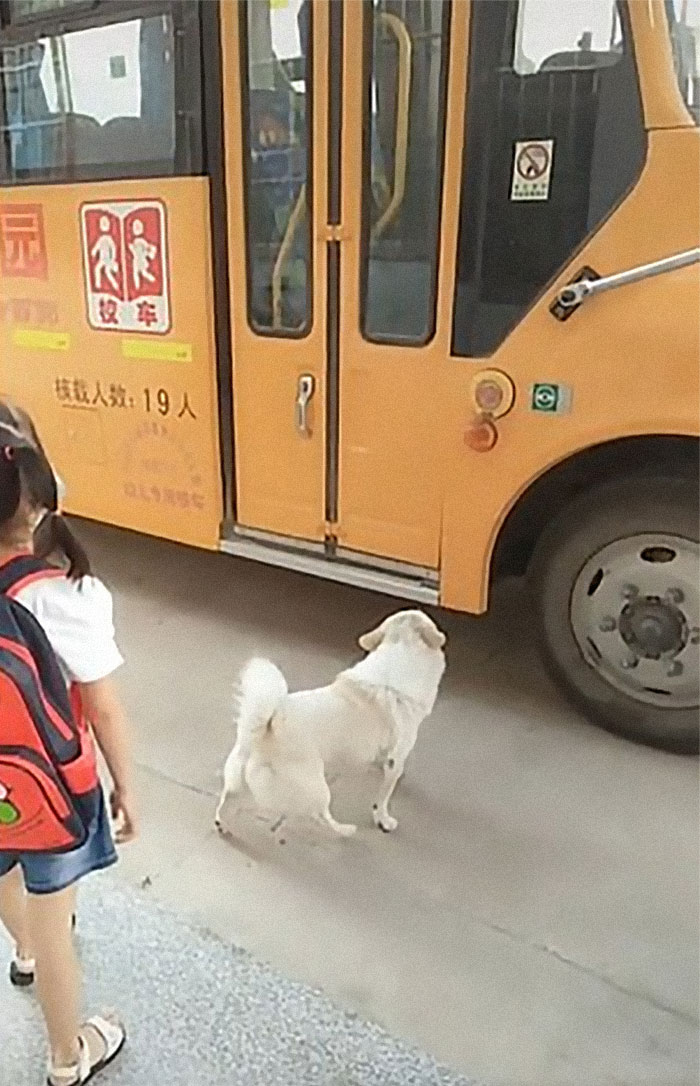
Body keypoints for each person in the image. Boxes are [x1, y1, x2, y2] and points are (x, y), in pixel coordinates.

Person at [0, 400, 137, 1085]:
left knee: (3, 870)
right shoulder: (69, 597)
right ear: (38, 505)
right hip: (52, 789)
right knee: (60, 926)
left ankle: (20, 948)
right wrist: (127, 789)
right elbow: (105, 712)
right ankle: (65, 1056)